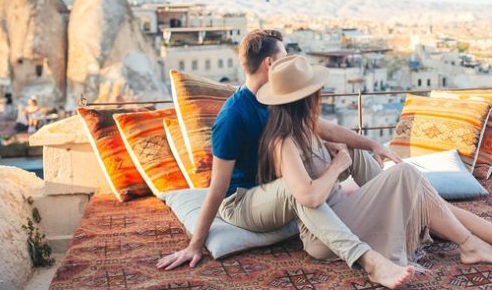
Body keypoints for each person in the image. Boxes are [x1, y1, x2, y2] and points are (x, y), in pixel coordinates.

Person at [256, 55, 492, 288]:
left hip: (346, 213)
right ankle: (475, 244)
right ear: (307, 98)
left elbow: (341, 133)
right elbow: (308, 197)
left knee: (419, 192)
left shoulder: (306, 125)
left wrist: (372, 146)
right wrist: (339, 165)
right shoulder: (283, 143)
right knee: (406, 176)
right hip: (326, 235)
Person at [158, 30, 411, 288]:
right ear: (270, 63)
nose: (289, 61)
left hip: (279, 188)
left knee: (348, 151)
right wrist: (195, 244)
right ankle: (369, 261)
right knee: (296, 189)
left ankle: (404, 208)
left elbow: (325, 128)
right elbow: (218, 188)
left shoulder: (278, 98)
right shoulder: (233, 116)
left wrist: (373, 144)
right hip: (243, 201)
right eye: (285, 55)